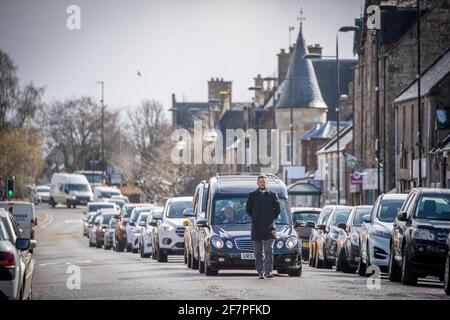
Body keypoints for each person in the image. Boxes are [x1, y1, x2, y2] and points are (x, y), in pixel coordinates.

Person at [246, 175, 281, 279]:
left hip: (269, 228)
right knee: (257, 252)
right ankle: (260, 271)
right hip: (256, 228)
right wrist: (255, 217)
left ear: (267, 183)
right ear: (257, 183)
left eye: (264, 182)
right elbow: (248, 209)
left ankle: (268, 271)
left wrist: (271, 218)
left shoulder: (272, 195)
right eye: (260, 182)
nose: (262, 183)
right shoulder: (252, 195)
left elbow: (278, 209)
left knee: (268, 250)